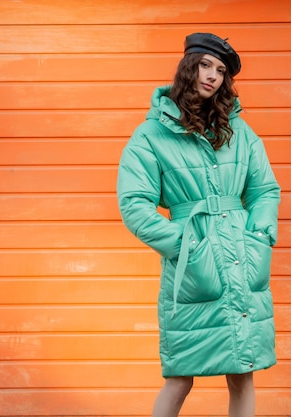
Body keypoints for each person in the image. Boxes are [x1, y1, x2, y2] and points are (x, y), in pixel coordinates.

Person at [116, 33, 281, 417]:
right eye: (206, 65)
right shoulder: (151, 135)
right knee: (181, 374)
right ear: (188, 67)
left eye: (221, 71)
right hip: (194, 264)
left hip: (242, 258)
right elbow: (134, 205)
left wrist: (258, 236)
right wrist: (183, 245)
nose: (213, 76)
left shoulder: (239, 131)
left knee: (243, 371)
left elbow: (264, 190)